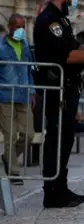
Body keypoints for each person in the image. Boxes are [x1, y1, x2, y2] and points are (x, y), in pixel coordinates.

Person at [33, 0, 84, 208]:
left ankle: (61, 187)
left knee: (64, 140)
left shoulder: (61, 20)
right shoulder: (49, 20)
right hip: (57, 89)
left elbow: (74, 47)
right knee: (57, 139)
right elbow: (68, 56)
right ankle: (52, 192)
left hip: (67, 88)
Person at [0, 14, 35, 185]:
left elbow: (29, 71)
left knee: (28, 135)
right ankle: (14, 172)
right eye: (17, 26)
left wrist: (33, 91)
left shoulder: (25, 46)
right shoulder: (1, 46)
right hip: (5, 96)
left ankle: (7, 157)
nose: (21, 29)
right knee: (10, 134)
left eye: (23, 26)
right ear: (10, 26)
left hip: (24, 95)